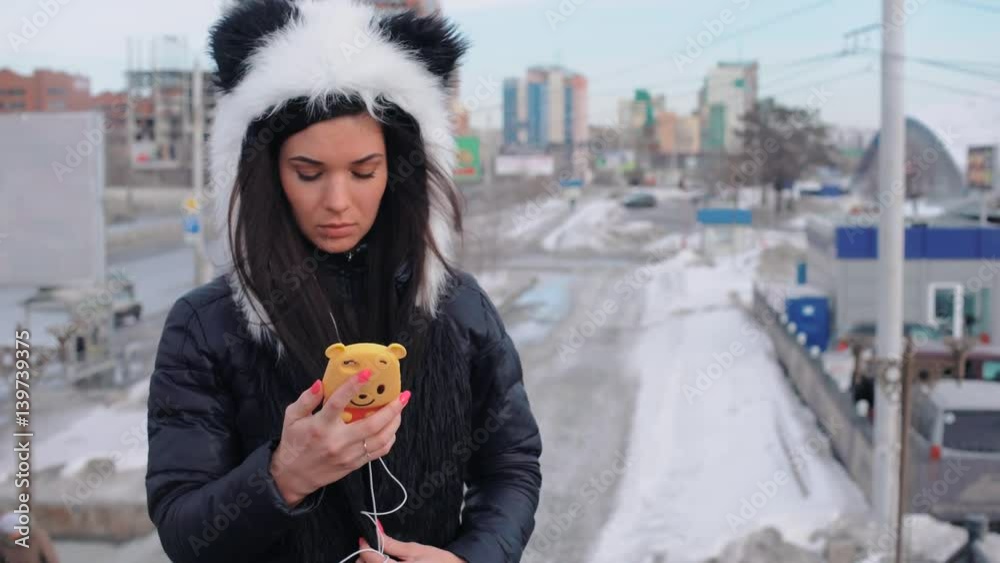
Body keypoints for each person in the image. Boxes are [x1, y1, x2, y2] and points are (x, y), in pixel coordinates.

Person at [144, 2, 542, 562]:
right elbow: (183, 531)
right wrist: (282, 476)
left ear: (400, 171)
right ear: (266, 175)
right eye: (308, 173)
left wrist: (467, 558)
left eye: (363, 172)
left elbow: (511, 468)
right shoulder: (206, 327)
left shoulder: (458, 308)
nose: (337, 202)